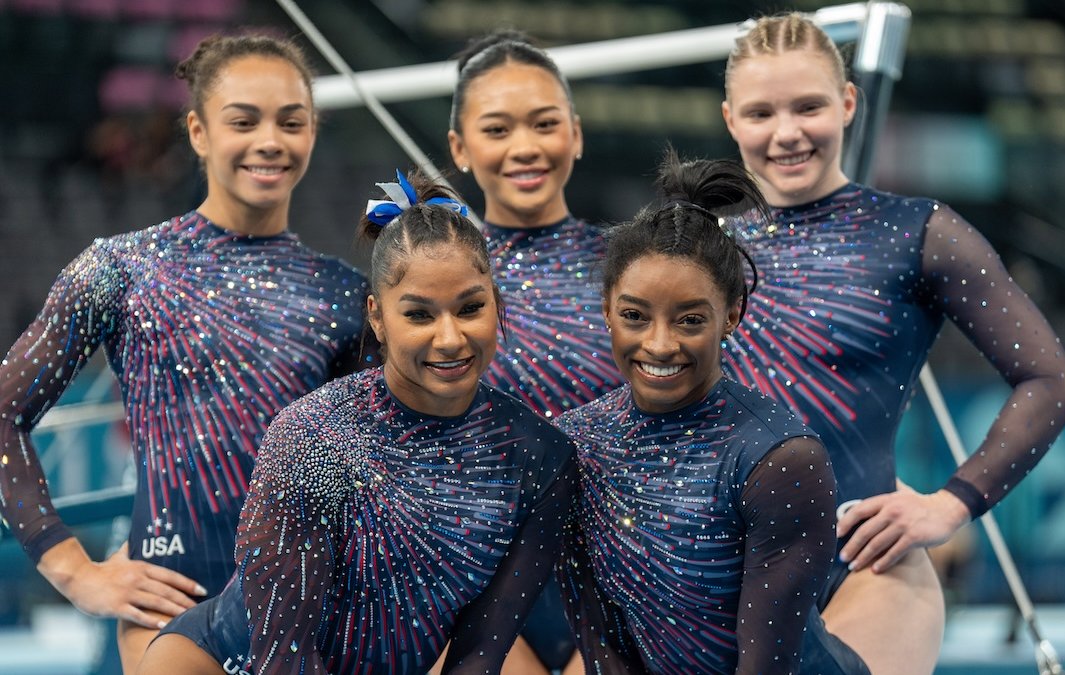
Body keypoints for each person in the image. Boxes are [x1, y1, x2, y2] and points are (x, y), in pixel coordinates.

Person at [719, 13, 1065, 674]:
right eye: (761, 112)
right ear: (729, 119)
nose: (787, 132)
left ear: (849, 103)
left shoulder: (916, 232)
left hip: (868, 562)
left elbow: (1052, 379)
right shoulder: (700, 251)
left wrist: (953, 501)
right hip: (723, 568)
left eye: (809, 106)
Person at [0, 33, 370, 673]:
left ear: (312, 131)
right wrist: (69, 568)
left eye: (291, 121)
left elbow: (378, 468)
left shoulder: (343, 295)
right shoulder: (121, 269)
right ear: (198, 131)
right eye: (243, 120)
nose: (270, 140)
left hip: (306, 607)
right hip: (170, 598)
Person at [138, 171, 578, 674]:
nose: (451, 338)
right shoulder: (314, 436)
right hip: (220, 664)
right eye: (419, 315)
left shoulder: (540, 457)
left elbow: (479, 652)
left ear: (496, 304)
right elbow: (284, 656)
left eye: (470, 307)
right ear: (376, 317)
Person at [554, 152, 867, 674]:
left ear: (733, 315)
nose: (659, 344)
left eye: (690, 320)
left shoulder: (779, 459)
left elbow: (768, 666)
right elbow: (604, 648)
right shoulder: (572, 448)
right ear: (607, 308)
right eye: (634, 315)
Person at [446, 30, 619, 674]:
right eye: (497, 129)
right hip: (470, 585)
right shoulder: (425, 282)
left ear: (574, 133)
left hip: (624, 585)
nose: (525, 148)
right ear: (460, 149)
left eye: (545, 124)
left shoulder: (635, 272)